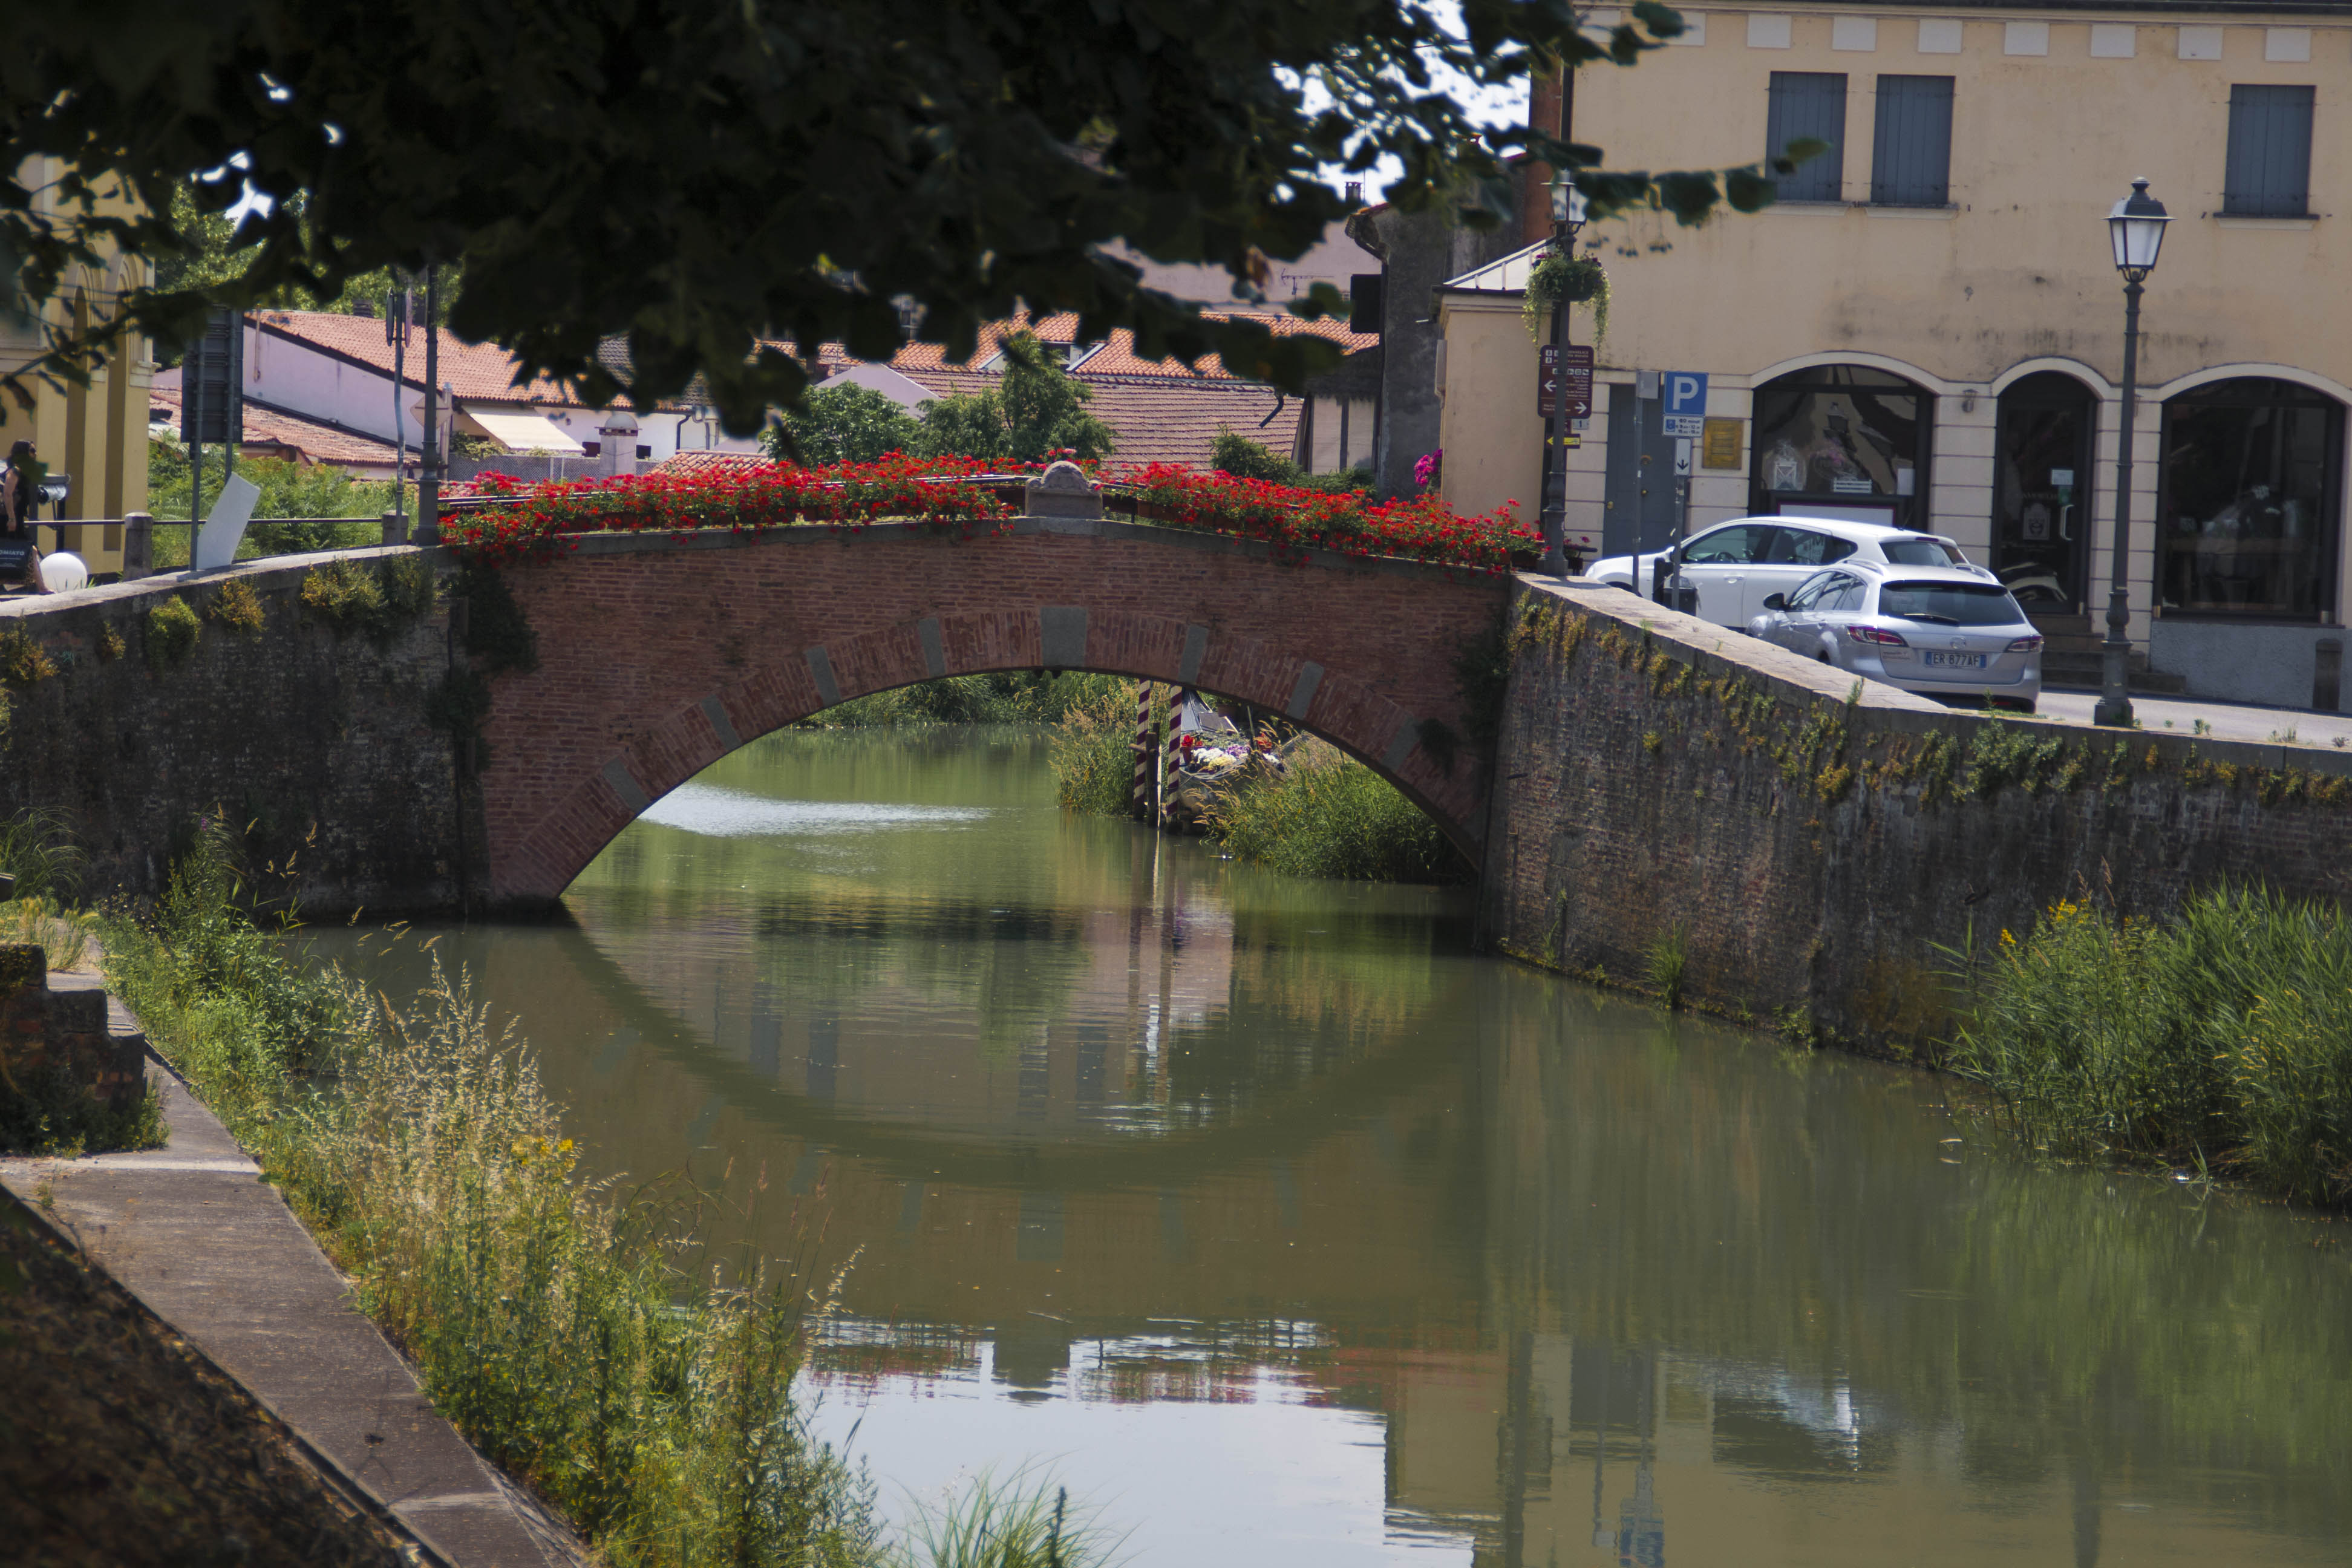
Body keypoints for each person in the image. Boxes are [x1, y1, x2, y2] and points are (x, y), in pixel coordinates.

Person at [0, 440, 50, 592]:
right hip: (9, 519)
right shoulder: (15, 471)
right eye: (32, 451)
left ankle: (42, 587)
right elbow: (7, 494)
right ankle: (42, 588)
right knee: (30, 550)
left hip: (15, 517)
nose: (35, 454)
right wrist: (12, 518)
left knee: (31, 550)